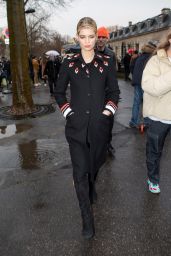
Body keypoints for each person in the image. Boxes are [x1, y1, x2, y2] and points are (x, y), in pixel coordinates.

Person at [54, 17, 120, 239]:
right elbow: (59, 92)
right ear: (77, 37)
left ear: (96, 37)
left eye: (91, 36)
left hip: (100, 128)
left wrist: (106, 113)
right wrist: (68, 113)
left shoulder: (107, 62)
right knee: (80, 173)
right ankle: (87, 220)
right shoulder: (68, 63)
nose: (87, 41)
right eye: (83, 37)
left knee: (94, 166)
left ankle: (92, 185)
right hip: (76, 129)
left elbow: (114, 92)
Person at [142, 32, 171, 194]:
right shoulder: (155, 60)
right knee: (154, 152)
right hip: (158, 117)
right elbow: (150, 87)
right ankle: (153, 179)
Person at [96, 26, 117, 158]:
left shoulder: (111, 54)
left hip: (108, 93)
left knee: (109, 120)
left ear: (107, 39)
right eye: (99, 37)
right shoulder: (90, 52)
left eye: (104, 37)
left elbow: (113, 75)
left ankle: (108, 143)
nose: (101, 40)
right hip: (94, 92)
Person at [129, 42, 156, 128]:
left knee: (136, 102)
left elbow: (132, 66)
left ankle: (134, 121)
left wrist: (135, 76)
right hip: (146, 82)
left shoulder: (139, 56)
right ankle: (147, 122)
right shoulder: (151, 57)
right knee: (147, 102)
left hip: (137, 81)